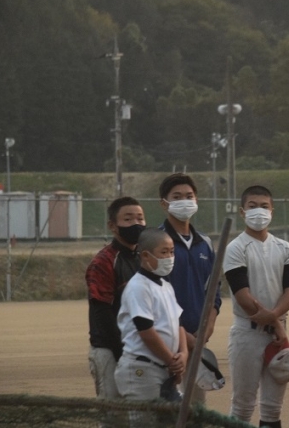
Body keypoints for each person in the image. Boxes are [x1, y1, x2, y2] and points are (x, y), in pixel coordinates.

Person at [222, 185, 289, 428]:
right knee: (242, 405)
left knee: (272, 407)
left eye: (264, 206)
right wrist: (276, 323)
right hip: (248, 332)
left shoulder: (285, 248)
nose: (259, 211)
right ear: (242, 211)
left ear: (272, 210)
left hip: (277, 334)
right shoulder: (236, 248)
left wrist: (275, 319)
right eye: (252, 206)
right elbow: (242, 295)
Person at [158, 172, 221, 404]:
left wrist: (207, 328)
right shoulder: (156, 242)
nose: (184, 201)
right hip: (165, 340)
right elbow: (154, 295)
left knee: (195, 408)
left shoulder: (205, 243)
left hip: (197, 339)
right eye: (177, 197)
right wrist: (181, 334)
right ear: (164, 203)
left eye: (189, 196)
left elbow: (213, 290)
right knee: (167, 408)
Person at [114, 228, 187, 401]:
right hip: (143, 369)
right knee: (146, 416)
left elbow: (178, 324)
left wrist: (183, 354)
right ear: (146, 255)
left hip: (164, 367)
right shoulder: (138, 287)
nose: (169, 257)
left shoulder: (165, 286)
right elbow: (146, 331)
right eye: (164, 252)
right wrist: (172, 361)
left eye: (172, 252)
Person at [85, 196, 146, 399]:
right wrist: (123, 351)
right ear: (112, 226)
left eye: (140, 218)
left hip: (140, 348)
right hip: (110, 350)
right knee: (114, 411)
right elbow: (102, 313)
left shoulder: (146, 258)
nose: (136, 224)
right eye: (128, 219)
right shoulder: (104, 262)